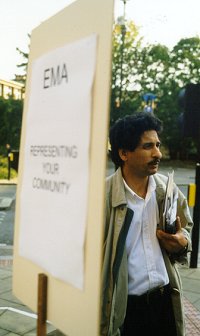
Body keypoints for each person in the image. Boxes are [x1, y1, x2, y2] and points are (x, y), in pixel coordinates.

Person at [101, 112, 193, 336]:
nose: (158, 153)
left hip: (165, 302)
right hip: (127, 309)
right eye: (148, 146)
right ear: (124, 153)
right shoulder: (102, 197)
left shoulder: (166, 189)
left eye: (158, 145)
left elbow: (186, 229)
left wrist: (181, 242)